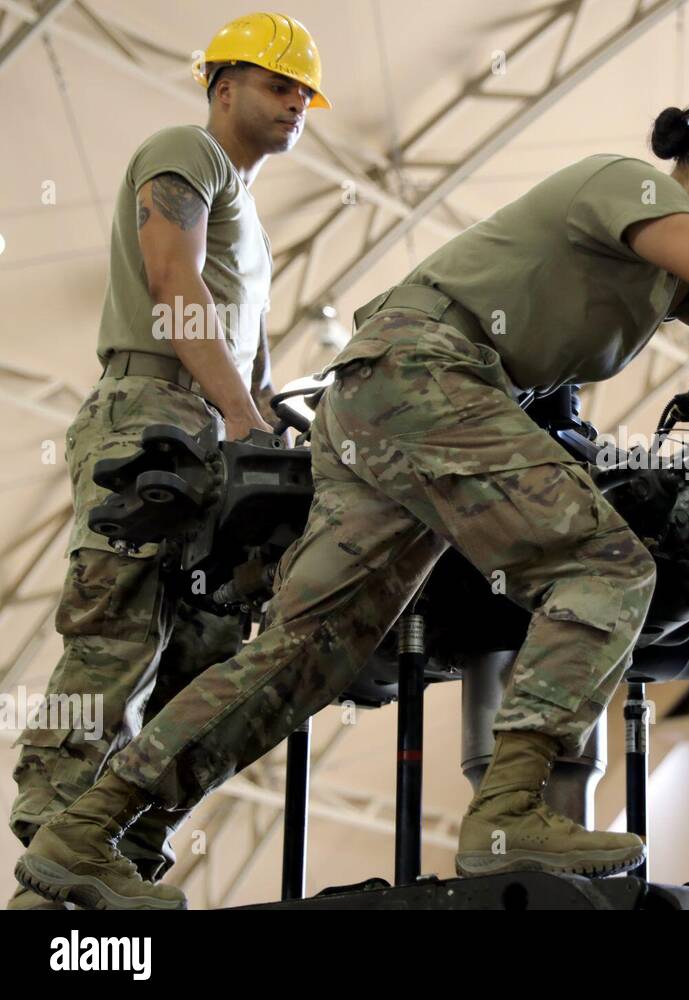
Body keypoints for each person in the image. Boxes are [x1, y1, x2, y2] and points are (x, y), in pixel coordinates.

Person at [15, 76, 689, 909]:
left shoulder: (668, 270)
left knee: (302, 656)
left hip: (380, 396)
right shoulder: (629, 187)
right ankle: (511, 809)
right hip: (422, 373)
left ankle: (88, 831)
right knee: (606, 564)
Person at [7, 12, 328, 910]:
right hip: (149, 412)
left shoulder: (253, 229)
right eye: (278, 84)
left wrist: (267, 434)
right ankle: (61, 820)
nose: (296, 103)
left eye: (304, 92)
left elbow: (247, 359)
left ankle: (121, 839)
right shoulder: (188, 151)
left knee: (210, 645)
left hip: (211, 430)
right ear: (223, 87)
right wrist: (238, 415)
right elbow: (172, 283)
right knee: (117, 633)